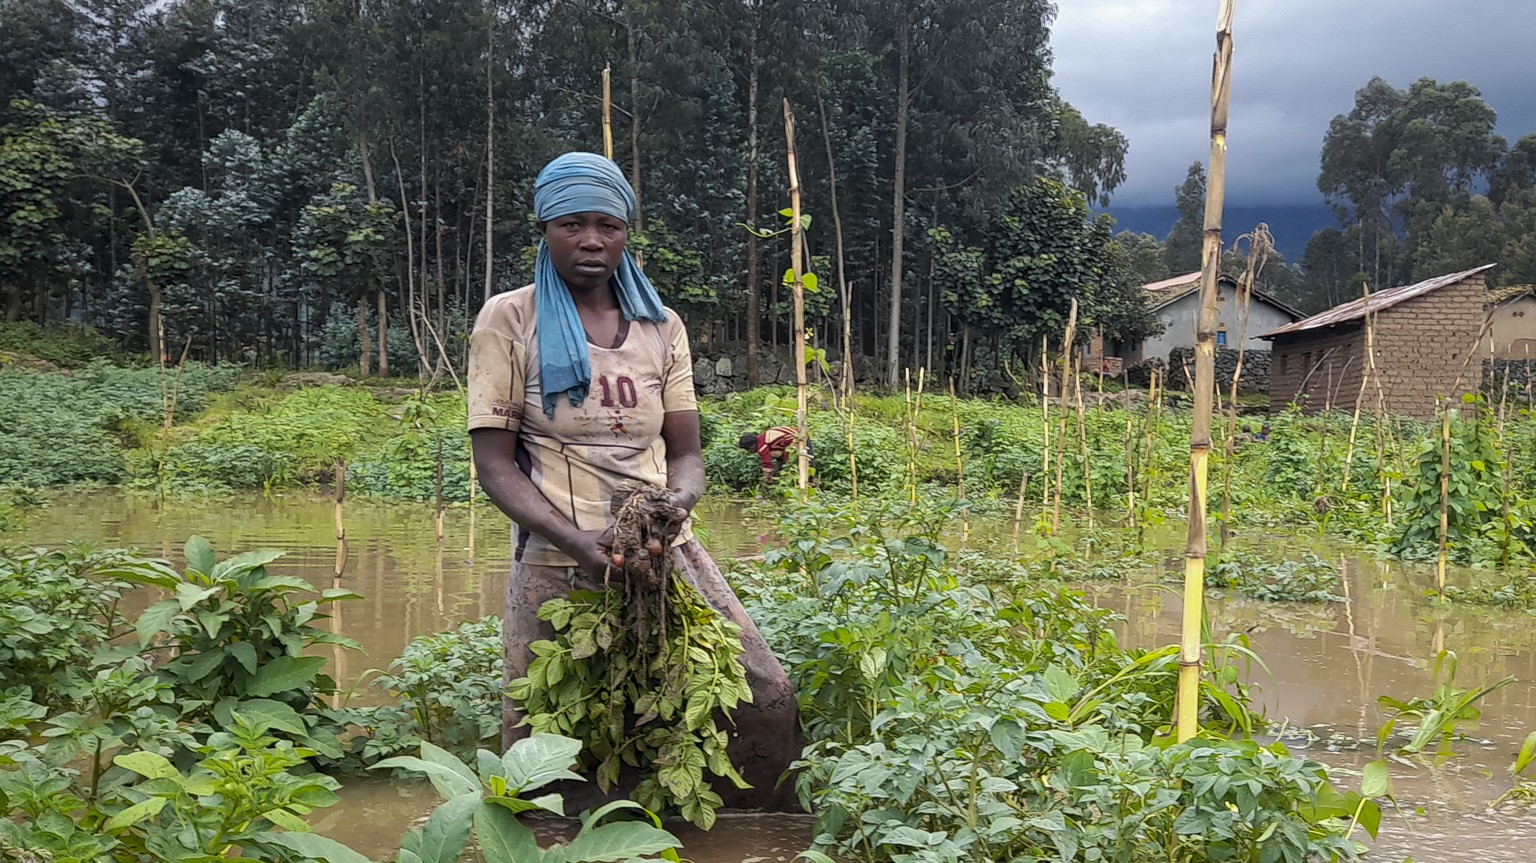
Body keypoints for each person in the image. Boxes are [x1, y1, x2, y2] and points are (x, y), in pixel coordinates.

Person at [466, 152, 802, 811]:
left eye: (608, 226)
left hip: (659, 550)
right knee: (551, 738)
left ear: (626, 232)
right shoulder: (509, 320)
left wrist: (677, 501)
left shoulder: (660, 326)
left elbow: (687, 453)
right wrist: (582, 541)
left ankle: (747, 832)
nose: (592, 240)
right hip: (557, 558)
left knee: (762, 697)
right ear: (543, 227)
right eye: (572, 224)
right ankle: (554, 846)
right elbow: (495, 465)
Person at [737, 425, 811, 488]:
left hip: (797, 439)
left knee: (797, 463)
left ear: (752, 446)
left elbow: (767, 465)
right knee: (785, 461)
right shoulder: (765, 439)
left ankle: (805, 482)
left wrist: (765, 481)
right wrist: (772, 474)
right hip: (799, 435)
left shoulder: (762, 445)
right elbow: (781, 459)